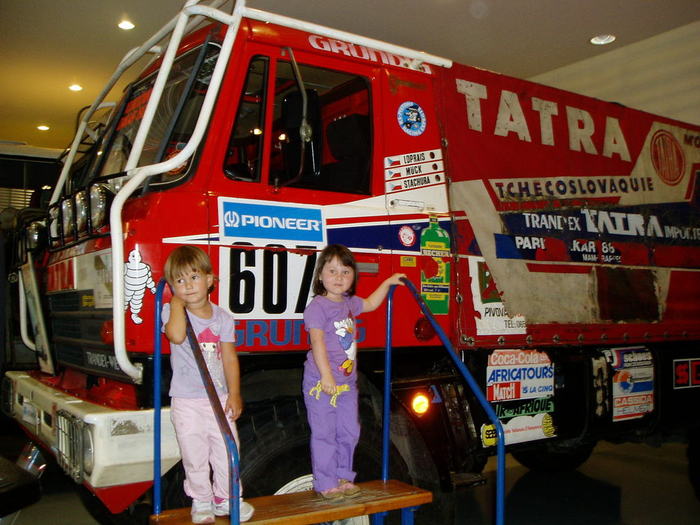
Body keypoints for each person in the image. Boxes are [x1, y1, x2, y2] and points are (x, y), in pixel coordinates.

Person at [303, 244, 406, 499]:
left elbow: (370, 303)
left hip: (347, 383)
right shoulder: (317, 307)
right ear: (320, 276)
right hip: (321, 383)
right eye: (332, 271)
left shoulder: (349, 303)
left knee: (349, 430)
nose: (339, 277)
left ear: (353, 277)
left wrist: (387, 282)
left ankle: (343, 476)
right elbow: (317, 342)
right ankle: (326, 482)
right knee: (325, 433)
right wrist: (326, 376)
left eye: (345, 272)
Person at [162, 246, 254, 524]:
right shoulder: (171, 311)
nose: (188, 286)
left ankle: (226, 498)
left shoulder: (222, 317)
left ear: (210, 279)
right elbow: (176, 336)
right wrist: (176, 304)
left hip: (219, 397)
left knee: (227, 449)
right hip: (186, 400)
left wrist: (234, 393)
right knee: (195, 454)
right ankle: (201, 501)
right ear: (172, 287)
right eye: (180, 280)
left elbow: (230, 358)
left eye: (194, 277)